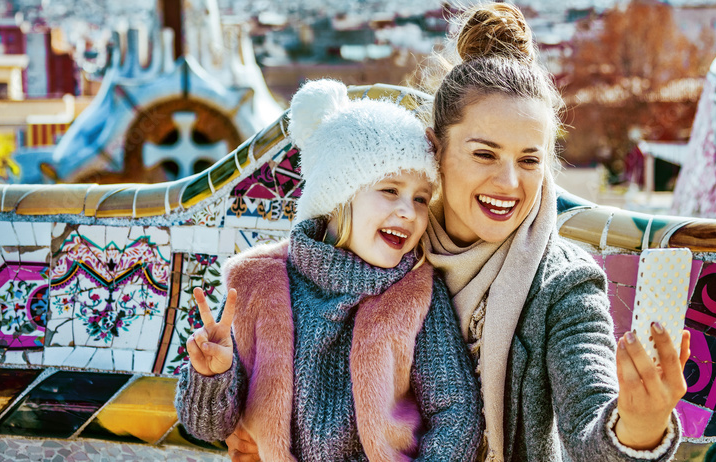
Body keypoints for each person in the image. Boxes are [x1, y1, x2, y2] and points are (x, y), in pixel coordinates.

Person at [225, 3, 691, 462]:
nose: (509, 184)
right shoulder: (384, 246)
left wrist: (637, 428)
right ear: (437, 150)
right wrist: (256, 422)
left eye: (529, 160)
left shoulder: (563, 286)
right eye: (485, 155)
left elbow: (589, 423)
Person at [174, 79, 483, 461]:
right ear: (336, 195)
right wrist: (212, 376)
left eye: (421, 198)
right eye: (390, 190)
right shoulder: (258, 283)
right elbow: (206, 427)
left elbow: (456, 413)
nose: (409, 211)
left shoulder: (416, 293)